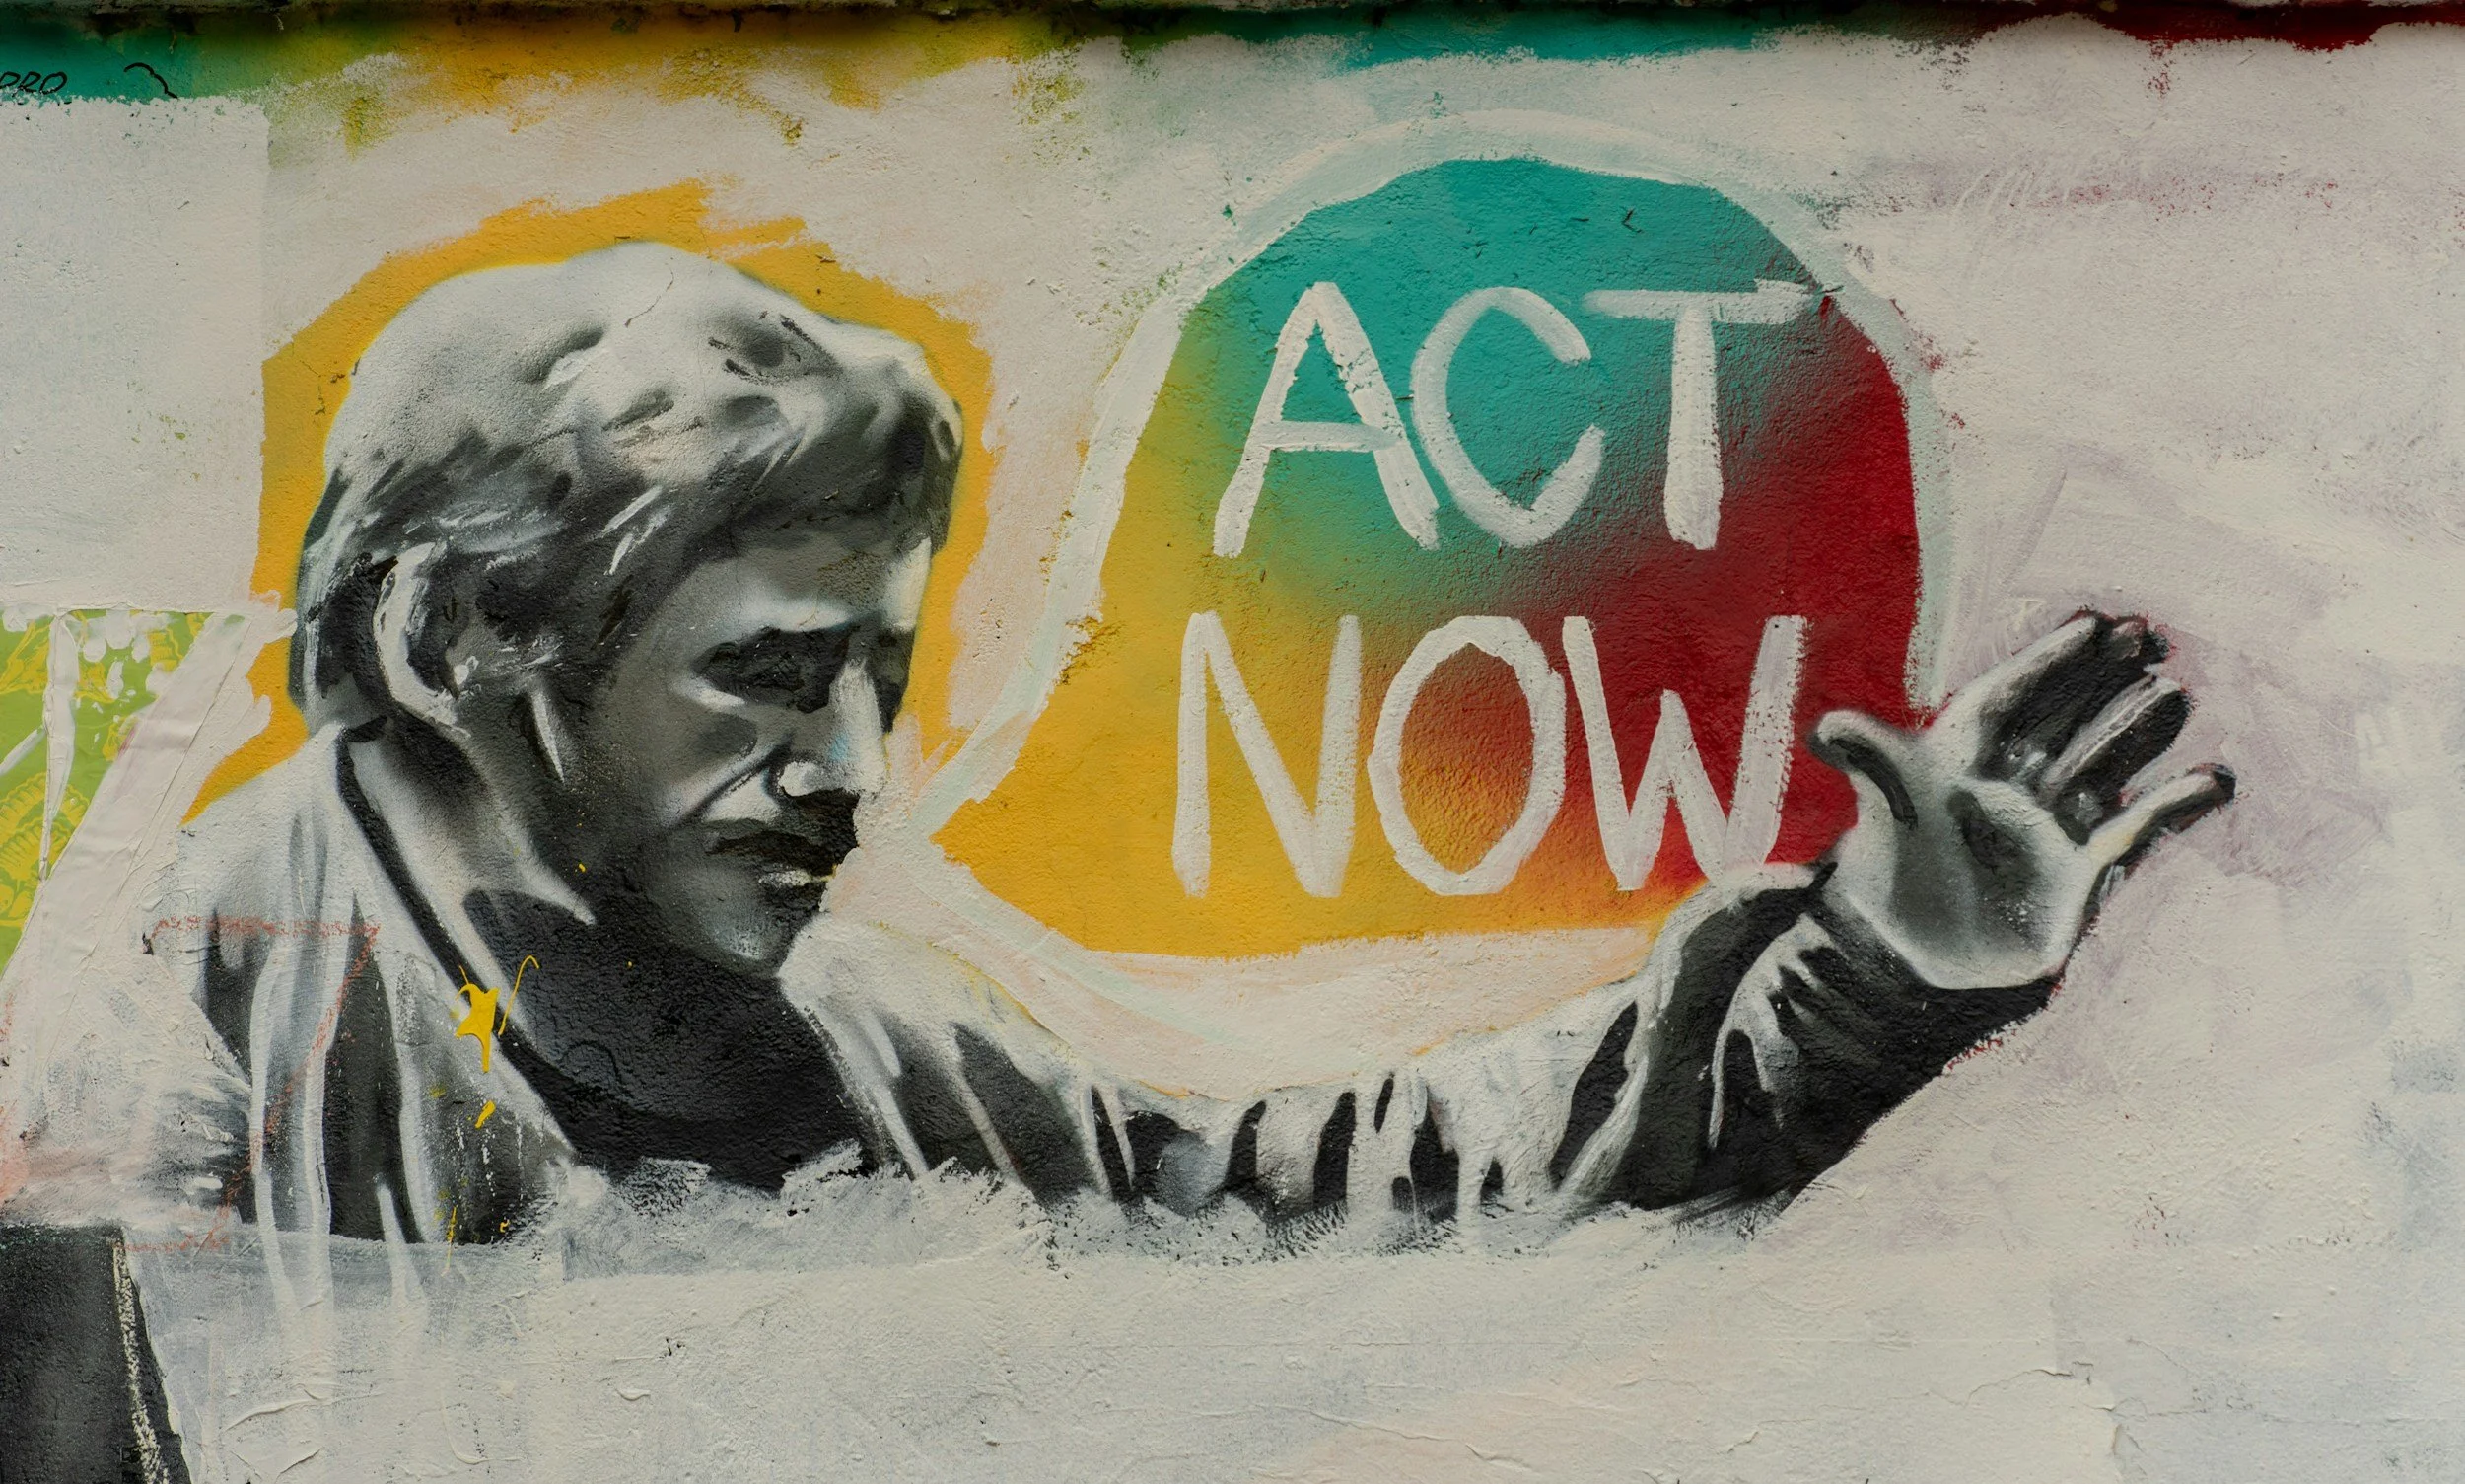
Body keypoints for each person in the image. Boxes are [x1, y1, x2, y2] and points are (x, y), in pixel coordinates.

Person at [123, 243, 2228, 1246]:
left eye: (881, 669)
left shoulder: (859, 1040)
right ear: (462, 632)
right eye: (772, 675)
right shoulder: (139, 1071)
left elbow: (1280, 1209)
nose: (860, 761)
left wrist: (1862, 975)